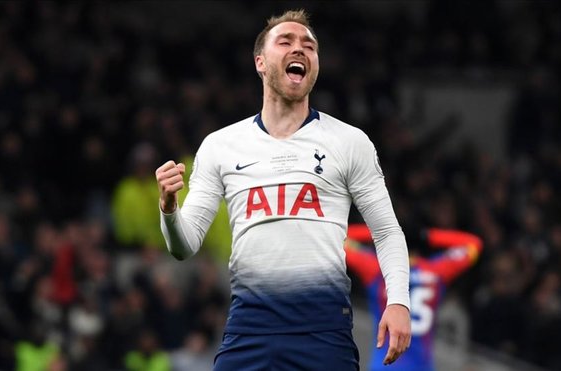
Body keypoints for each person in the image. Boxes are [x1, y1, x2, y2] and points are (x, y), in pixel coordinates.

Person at [156, 9, 411, 370]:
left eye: (309, 45)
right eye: (286, 41)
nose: (300, 49)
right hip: (249, 330)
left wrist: (398, 301)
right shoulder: (221, 146)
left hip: (323, 331)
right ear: (260, 62)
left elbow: (386, 232)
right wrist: (169, 208)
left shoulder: (350, 142)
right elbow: (183, 246)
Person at [345, 223, 483, 371]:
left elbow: (341, 238)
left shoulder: (377, 269)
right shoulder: (436, 272)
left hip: (384, 366)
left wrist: (385, 229)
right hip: (421, 366)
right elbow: (474, 244)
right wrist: (426, 235)